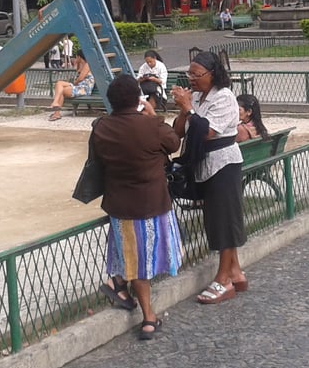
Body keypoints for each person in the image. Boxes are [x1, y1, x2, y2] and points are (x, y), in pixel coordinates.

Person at [94, 74, 183, 339]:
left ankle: (119, 282)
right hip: (152, 203)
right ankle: (148, 317)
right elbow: (174, 142)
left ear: (111, 101)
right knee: (142, 264)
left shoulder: (101, 128)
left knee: (131, 256)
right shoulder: (151, 126)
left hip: (120, 206)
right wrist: (153, 115)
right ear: (138, 100)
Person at [170, 51, 247, 304]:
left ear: (212, 74)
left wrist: (189, 108)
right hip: (206, 165)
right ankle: (235, 272)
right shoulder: (198, 97)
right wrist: (184, 110)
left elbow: (206, 133)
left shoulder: (224, 98)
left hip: (223, 164)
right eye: (188, 74)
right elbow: (179, 133)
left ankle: (223, 280)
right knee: (216, 219)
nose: (191, 78)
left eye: (196, 74)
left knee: (224, 221)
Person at [48, 50, 94, 121]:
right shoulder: (82, 65)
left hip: (84, 89)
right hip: (78, 86)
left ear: (79, 57)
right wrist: (77, 63)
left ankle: (56, 112)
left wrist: (75, 83)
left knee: (62, 90)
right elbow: (77, 71)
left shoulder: (87, 65)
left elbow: (80, 78)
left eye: (76, 57)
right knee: (59, 83)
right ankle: (56, 104)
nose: (75, 58)